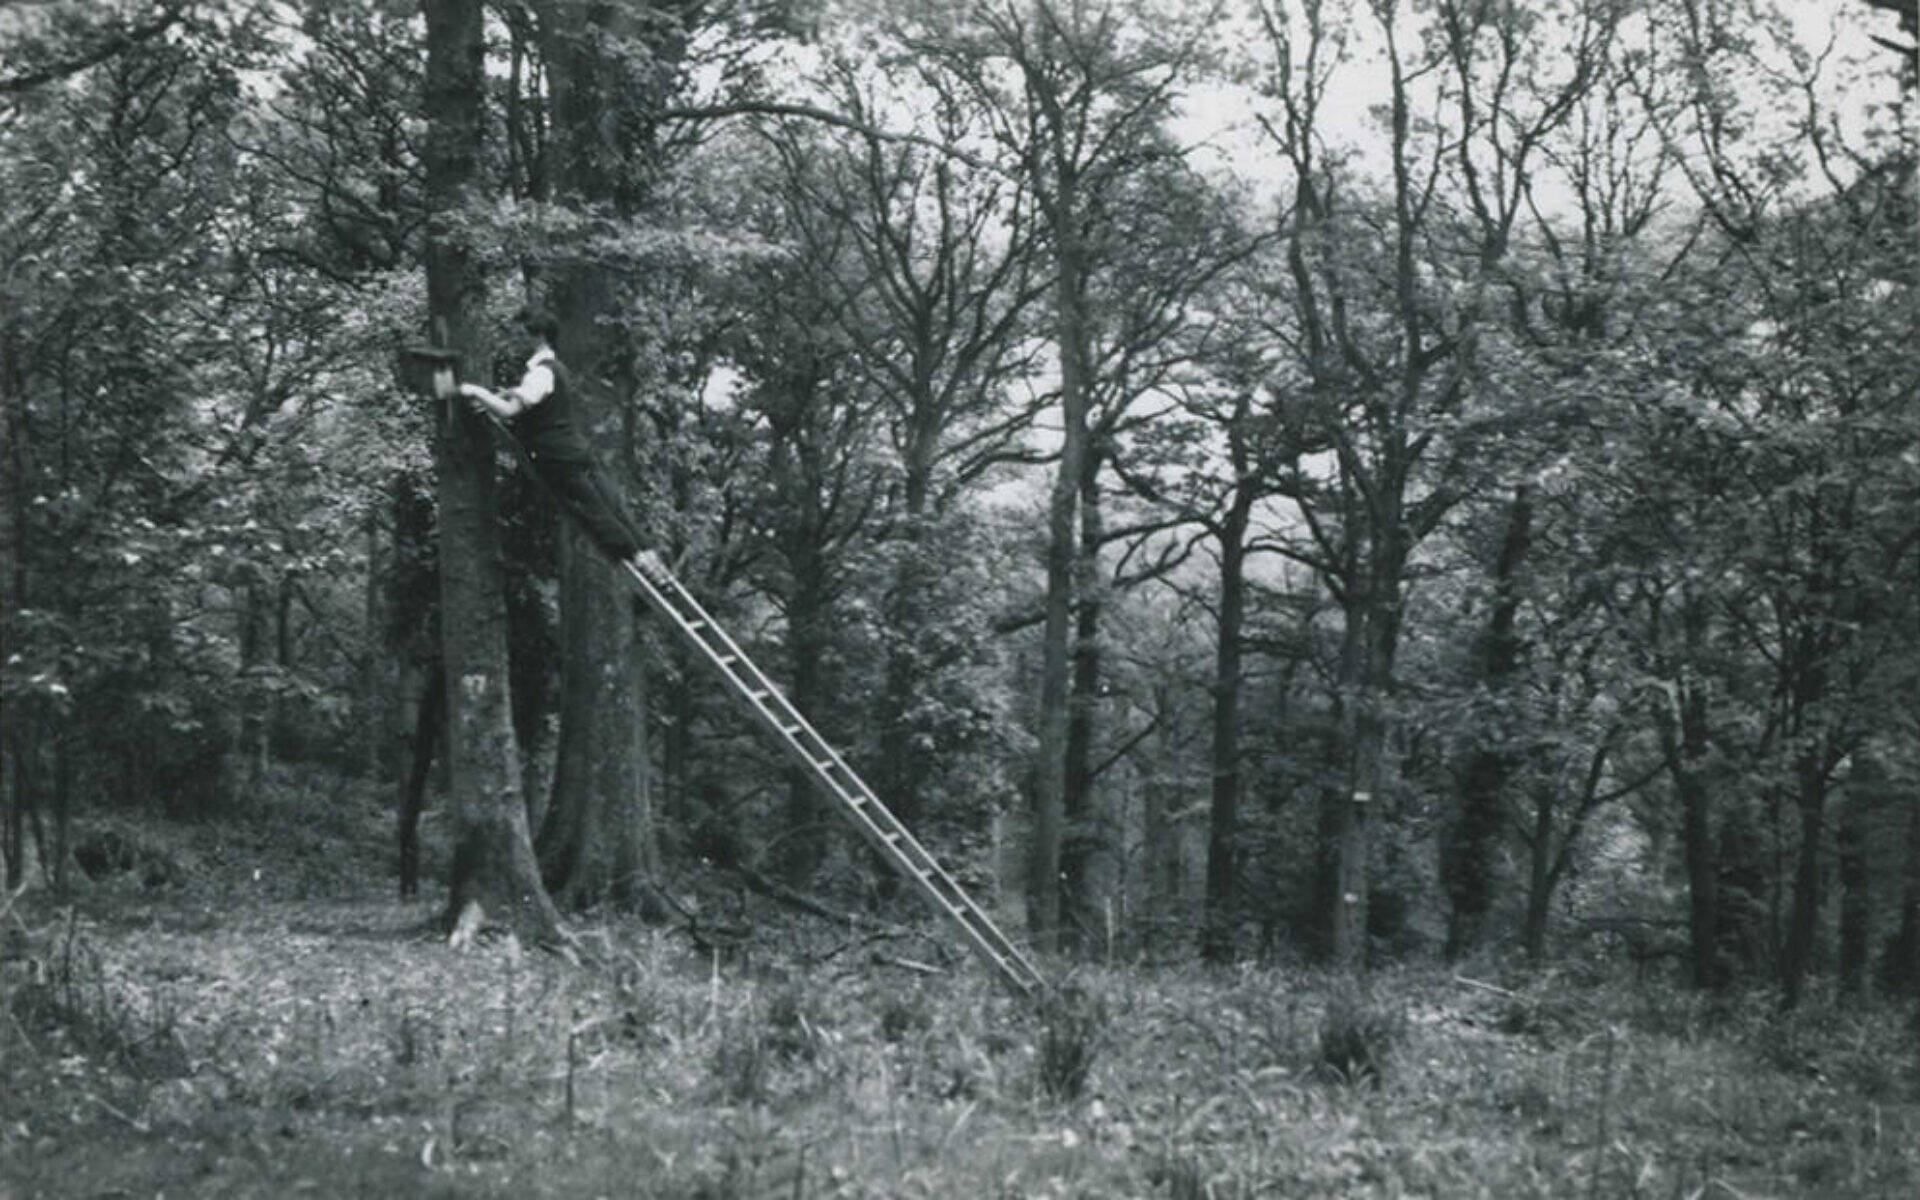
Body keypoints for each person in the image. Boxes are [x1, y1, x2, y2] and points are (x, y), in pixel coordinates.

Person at [458, 306, 667, 581]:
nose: (515, 340)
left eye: (521, 334)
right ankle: (651, 560)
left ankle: (639, 562)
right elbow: (536, 401)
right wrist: (509, 393)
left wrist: (477, 392)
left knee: (594, 510)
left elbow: (509, 412)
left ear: (539, 335)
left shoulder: (539, 373)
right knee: (613, 505)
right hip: (575, 449)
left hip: (556, 456)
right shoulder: (557, 369)